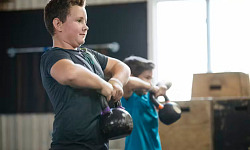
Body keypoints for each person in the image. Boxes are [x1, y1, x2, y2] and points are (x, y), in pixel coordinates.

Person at [40, 0, 130, 149]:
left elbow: (122, 67)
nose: (86, 27)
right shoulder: (53, 57)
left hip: (100, 145)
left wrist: (117, 82)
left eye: (85, 21)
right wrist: (103, 85)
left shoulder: (89, 55)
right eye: (79, 20)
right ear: (58, 24)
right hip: (71, 146)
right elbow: (70, 73)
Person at [121, 56, 170, 150]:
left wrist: (162, 86)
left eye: (151, 78)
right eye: (147, 78)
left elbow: (168, 82)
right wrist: (151, 87)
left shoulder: (149, 96)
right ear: (132, 76)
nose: (150, 82)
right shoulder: (129, 97)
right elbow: (128, 81)